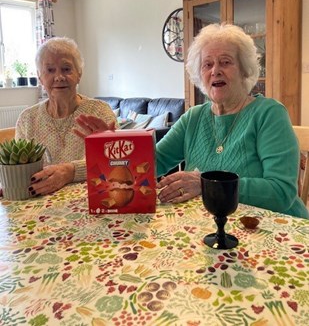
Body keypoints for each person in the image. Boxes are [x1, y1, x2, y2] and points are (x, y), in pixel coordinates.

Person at [75, 24, 308, 219]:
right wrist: (115, 149)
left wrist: (205, 184)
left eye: (225, 62)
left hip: (274, 229)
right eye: (207, 64)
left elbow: (281, 192)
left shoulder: (269, 114)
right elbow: (152, 164)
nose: (215, 71)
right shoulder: (194, 117)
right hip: (207, 227)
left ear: (245, 70)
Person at [15, 37, 116, 196]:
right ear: (40, 77)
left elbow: (116, 164)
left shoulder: (100, 112)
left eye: (66, 69)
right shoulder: (27, 119)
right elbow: (19, 168)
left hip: (92, 199)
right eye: (50, 70)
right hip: (39, 204)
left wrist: (71, 171)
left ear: (79, 74)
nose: (59, 76)